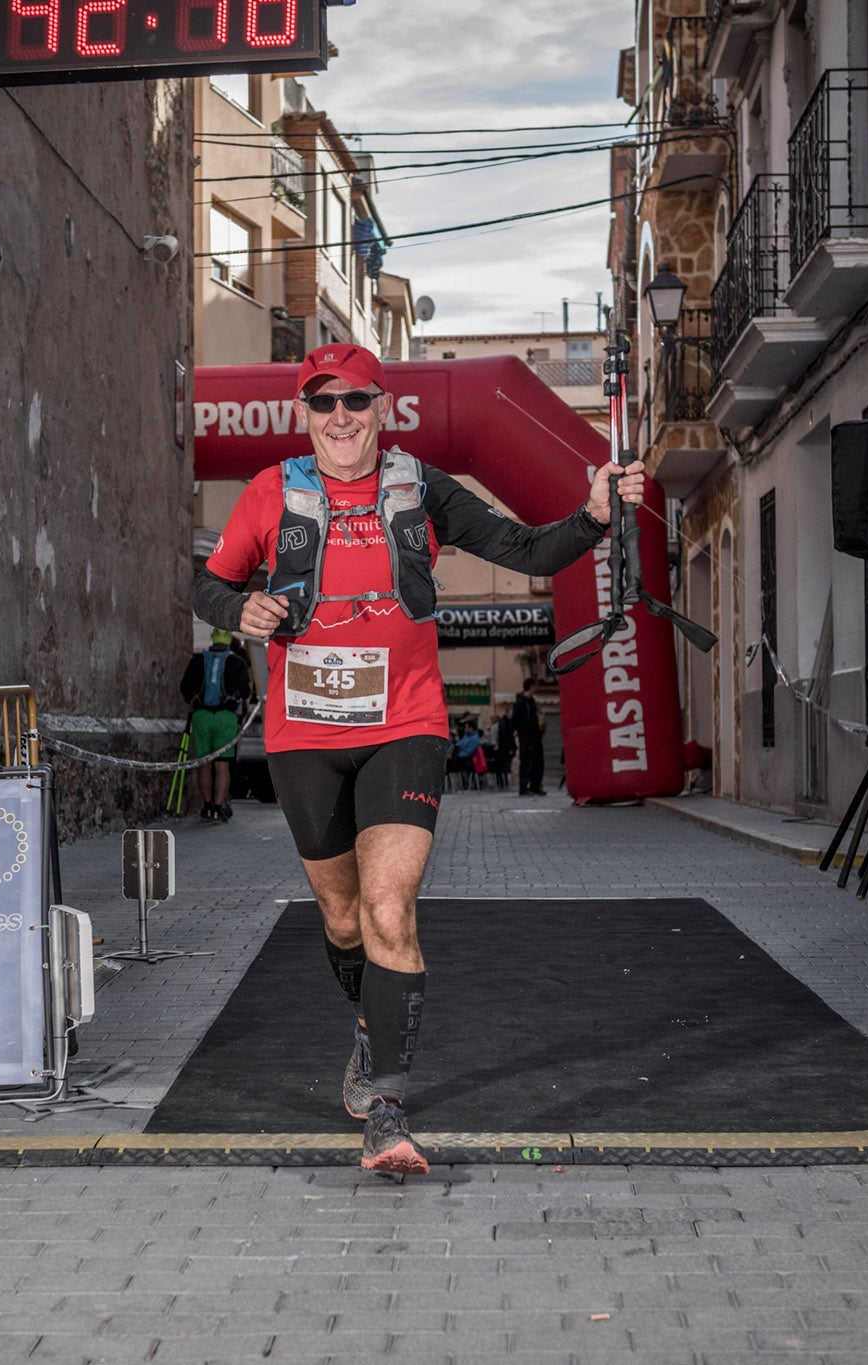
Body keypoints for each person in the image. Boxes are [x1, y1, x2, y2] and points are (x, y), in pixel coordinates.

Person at [193, 343, 646, 1174]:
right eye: (324, 402)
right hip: (307, 734)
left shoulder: (423, 488)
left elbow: (527, 550)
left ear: (381, 406)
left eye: (356, 401)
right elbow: (208, 583)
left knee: (390, 911)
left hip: (406, 723)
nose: (341, 417)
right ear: (304, 412)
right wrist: (242, 606)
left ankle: (388, 1112)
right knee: (341, 918)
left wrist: (595, 517)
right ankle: (370, 1029)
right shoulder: (271, 492)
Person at [179, 628, 253, 821]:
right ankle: (219, 808)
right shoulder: (237, 662)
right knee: (222, 766)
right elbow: (245, 692)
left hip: (201, 716)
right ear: (229, 639)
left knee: (203, 764)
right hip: (225, 718)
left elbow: (185, 687)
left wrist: (194, 702)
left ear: (212, 638)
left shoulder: (197, 660)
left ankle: (207, 806)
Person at [512, 677, 546, 796]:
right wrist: (518, 732)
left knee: (538, 762)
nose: (537, 688)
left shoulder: (532, 701)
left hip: (536, 736)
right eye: (535, 685)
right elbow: (515, 720)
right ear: (531, 686)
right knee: (526, 762)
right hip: (526, 736)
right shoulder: (521, 702)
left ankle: (535, 786)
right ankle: (524, 787)